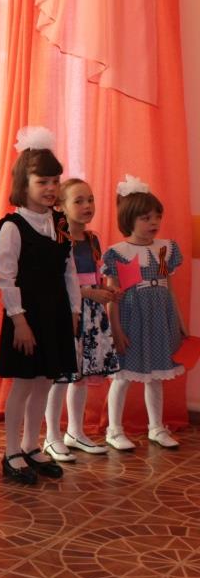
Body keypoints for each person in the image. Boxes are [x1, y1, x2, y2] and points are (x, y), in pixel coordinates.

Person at [0, 127, 80, 486]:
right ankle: (12, 451)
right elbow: (5, 278)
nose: (50, 188)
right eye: (42, 181)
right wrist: (20, 321)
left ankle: (31, 444)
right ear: (23, 183)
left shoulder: (59, 222)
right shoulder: (12, 226)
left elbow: (69, 269)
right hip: (27, 318)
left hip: (54, 314)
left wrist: (73, 310)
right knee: (24, 384)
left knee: (44, 382)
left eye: (55, 181)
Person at [104, 175, 186, 450]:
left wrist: (178, 322)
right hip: (132, 319)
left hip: (160, 317)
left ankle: (156, 427)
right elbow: (112, 295)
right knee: (123, 376)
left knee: (156, 375)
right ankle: (114, 430)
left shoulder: (164, 249)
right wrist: (116, 329)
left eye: (157, 216)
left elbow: (168, 286)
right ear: (129, 219)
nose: (154, 222)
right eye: (146, 218)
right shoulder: (118, 252)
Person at [43, 179, 120, 459]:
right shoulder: (58, 241)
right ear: (61, 206)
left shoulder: (92, 239)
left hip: (93, 316)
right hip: (70, 315)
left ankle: (75, 432)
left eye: (90, 199)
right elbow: (57, 282)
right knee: (61, 377)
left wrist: (106, 290)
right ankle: (51, 436)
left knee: (82, 377)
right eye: (79, 201)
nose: (87, 205)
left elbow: (95, 274)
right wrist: (89, 292)